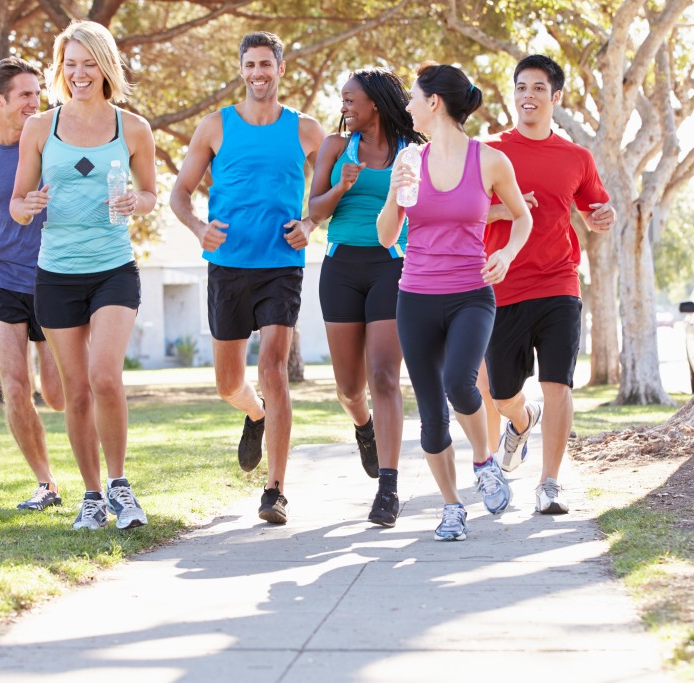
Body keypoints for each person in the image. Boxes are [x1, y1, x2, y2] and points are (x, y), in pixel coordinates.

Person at [170, 32, 325, 525]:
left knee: (274, 369)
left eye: (266, 64)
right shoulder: (215, 127)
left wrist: (309, 223)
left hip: (281, 263)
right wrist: (198, 228)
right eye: (250, 65)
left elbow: (328, 191)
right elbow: (180, 193)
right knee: (227, 383)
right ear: (242, 70)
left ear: (281, 68)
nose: (258, 72)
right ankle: (254, 413)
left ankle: (275, 491)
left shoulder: (306, 129)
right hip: (229, 266)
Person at [10, 20, 157, 531]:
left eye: (88, 63)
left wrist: (135, 201)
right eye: (70, 64)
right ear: (60, 69)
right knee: (74, 391)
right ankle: (91, 496)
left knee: (104, 378)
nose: (79, 73)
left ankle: (120, 487)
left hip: (114, 267)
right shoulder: (38, 128)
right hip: (56, 272)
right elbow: (17, 206)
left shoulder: (133, 128)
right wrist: (27, 206)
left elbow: (150, 195)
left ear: (106, 66)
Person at [378, 63, 532, 542]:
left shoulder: (489, 161)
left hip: (470, 294)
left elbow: (523, 218)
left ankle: (485, 463)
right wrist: (394, 195)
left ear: (434, 103)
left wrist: (505, 253)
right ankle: (451, 508)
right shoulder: (409, 162)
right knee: (430, 416)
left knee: (460, 384)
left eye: (413, 97)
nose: (406, 106)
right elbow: (387, 237)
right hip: (416, 296)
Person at [482, 54, 615, 514]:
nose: (528, 96)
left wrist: (603, 217)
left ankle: (550, 484)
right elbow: (462, 213)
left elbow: (594, 209)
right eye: (521, 87)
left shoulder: (576, 156)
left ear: (555, 97)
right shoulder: (491, 152)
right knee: (502, 395)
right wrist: (505, 210)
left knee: (558, 384)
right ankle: (521, 422)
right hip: (503, 287)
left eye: (538, 88)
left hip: (560, 283)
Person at [308, 67, 424, 528]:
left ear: (374, 102)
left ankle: (389, 487)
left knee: (384, 376)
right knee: (350, 387)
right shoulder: (337, 148)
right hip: (340, 266)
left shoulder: (411, 151)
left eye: (351, 99)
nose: (344, 106)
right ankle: (363, 428)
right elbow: (313, 210)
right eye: (341, 99)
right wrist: (342, 185)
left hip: (392, 265)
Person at [0, 57, 66, 512]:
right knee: (14, 387)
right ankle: (46, 483)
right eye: (26, 95)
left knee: (57, 394)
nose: (36, 102)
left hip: (52, 279)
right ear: (0, 100)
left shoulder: (53, 147)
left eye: (38, 93)